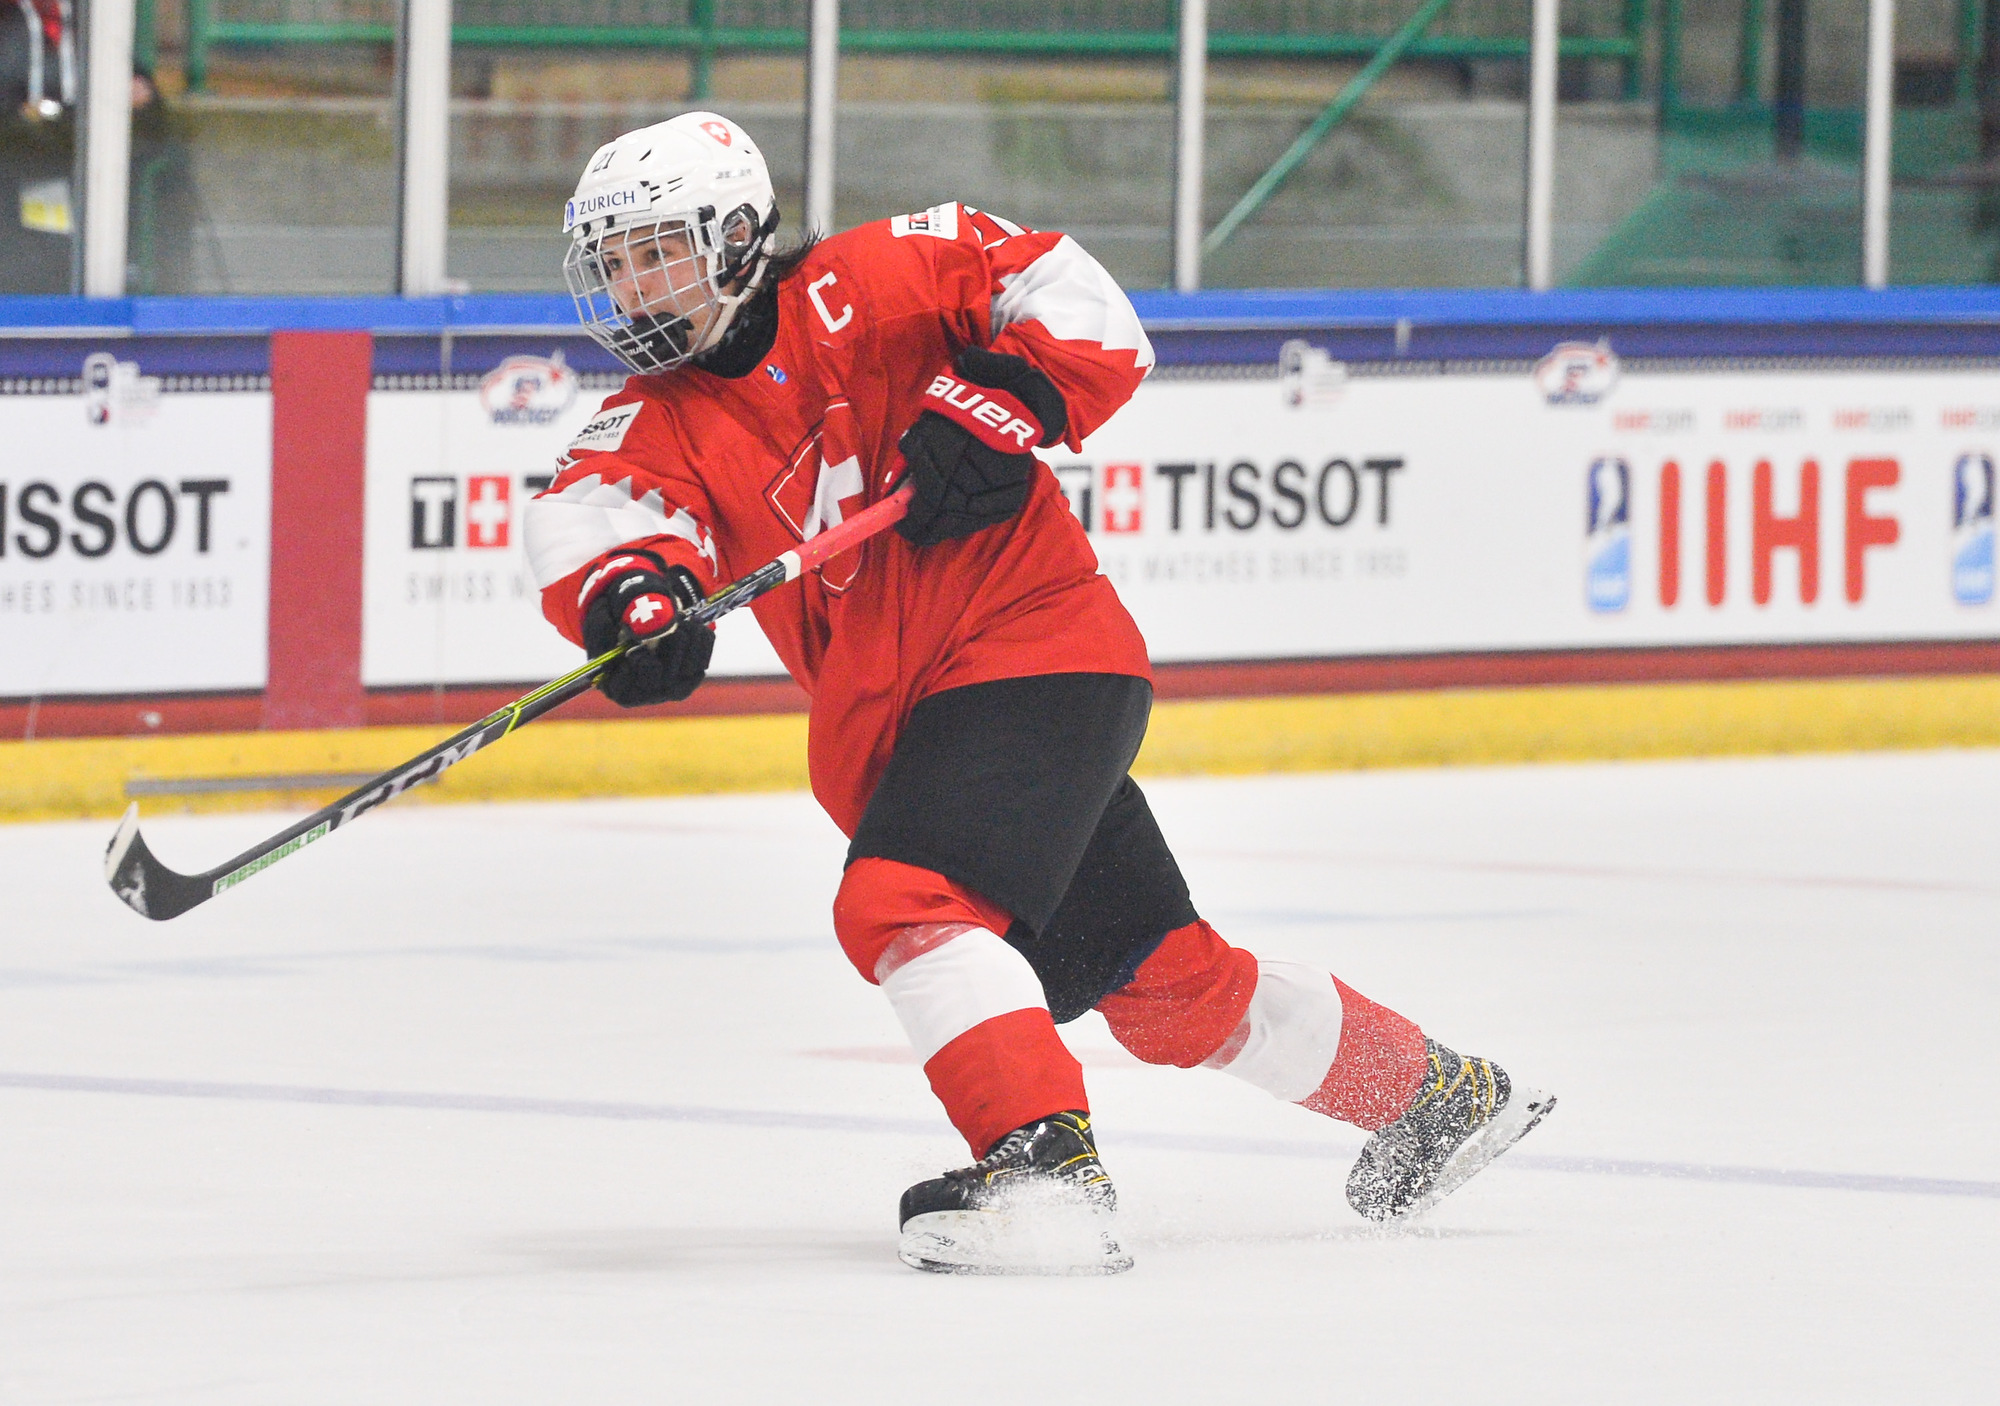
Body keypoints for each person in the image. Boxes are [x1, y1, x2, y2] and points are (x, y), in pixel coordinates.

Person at [524, 111, 1554, 1275]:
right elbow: (594, 517)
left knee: (899, 899)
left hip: (1033, 649)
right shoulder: (653, 419)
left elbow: (1073, 298)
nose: (631, 285)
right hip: (916, 724)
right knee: (1171, 987)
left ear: (737, 235)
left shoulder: (886, 274)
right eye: (613, 261)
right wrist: (633, 598)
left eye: (657, 250)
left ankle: (1042, 1170)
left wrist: (1003, 398)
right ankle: (1436, 1097)